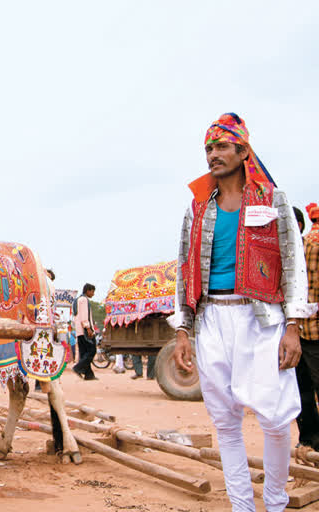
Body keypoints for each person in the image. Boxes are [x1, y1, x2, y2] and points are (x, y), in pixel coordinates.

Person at [173, 113, 313, 511]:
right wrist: (183, 330)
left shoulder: (273, 200)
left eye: (220, 147)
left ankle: (275, 502)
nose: (213, 155)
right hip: (211, 319)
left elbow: (292, 262)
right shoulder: (197, 208)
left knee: (274, 416)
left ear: (243, 151)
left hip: (261, 319)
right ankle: (242, 506)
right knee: (225, 422)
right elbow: (184, 267)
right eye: (208, 149)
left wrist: (293, 325)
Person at [295, 203, 319, 449]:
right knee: (300, 391)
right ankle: (310, 440)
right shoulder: (283, 256)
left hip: (314, 330)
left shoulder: (313, 249)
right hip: (292, 335)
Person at [72, 283, 97, 380]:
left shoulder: (77, 300)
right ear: (88, 291)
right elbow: (84, 315)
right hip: (84, 330)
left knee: (84, 352)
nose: (93, 294)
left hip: (79, 331)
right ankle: (78, 368)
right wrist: (88, 328)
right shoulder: (84, 300)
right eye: (92, 291)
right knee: (91, 351)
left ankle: (88, 374)